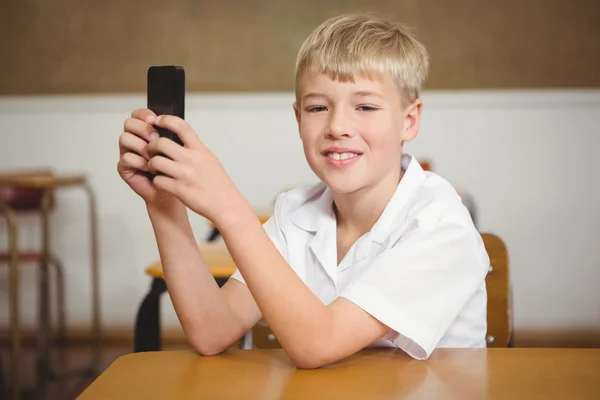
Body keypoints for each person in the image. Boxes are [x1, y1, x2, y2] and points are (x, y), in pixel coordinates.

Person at [117, 12, 489, 369]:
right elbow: (213, 330)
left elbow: (318, 344)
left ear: (409, 121)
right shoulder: (296, 212)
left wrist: (230, 209)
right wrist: (164, 205)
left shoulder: (440, 225)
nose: (337, 126)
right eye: (317, 108)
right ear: (298, 119)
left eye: (365, 106)